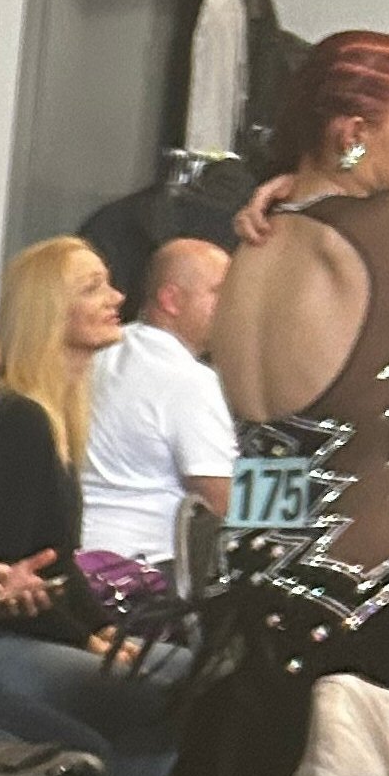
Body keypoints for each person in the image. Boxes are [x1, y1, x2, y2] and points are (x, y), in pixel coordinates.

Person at [156, 29, 389, 776]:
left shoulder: (256, 241)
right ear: (352, 131)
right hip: (371, 586)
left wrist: (286, 182)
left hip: (262, 576)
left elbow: (275, 454)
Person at [0, 237, 188, 776]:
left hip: (37, 623)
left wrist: (100, 631)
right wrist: (90, 638)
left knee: (177, 676)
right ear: (48, 311)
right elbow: (23, 571)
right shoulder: (23, 418)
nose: (118, 297)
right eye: (93, 287)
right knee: (179, 688)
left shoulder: (58, 412)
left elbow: (54, 562)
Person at [79, 236, 235, 577]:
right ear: (171, 300)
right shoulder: (189, 379)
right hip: (144, 573)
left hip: (80, 560)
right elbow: (222, 500)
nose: (232, 306)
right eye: (219, 292)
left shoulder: (99, 352)